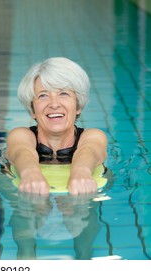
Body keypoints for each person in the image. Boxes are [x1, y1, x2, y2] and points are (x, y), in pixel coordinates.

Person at [6, 57, 107, 195]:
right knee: (33, 207)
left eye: (63, 94)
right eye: (43, 95)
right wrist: (30, 172)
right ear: (32, 110)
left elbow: (90, 150)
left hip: (82, 188)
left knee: (78, 208)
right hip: (23, 188)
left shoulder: (93, 136)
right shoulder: (20, 135)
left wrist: (81, 172)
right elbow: (21, 151)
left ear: (78, 105)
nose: (54, 104)